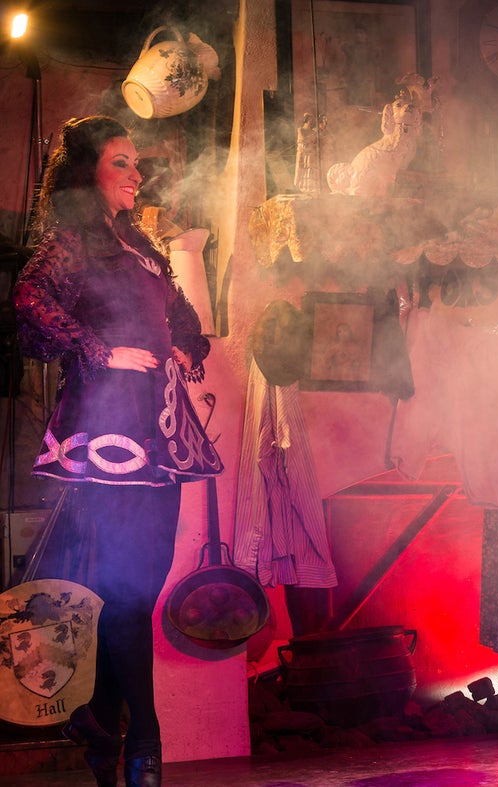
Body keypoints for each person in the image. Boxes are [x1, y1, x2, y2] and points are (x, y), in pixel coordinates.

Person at [14, 116, 222, 787]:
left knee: (140, 584)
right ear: (88, 174)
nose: (135, 175)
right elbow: (28, 301)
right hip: (107, 435)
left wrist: (188, 346)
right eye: (121, 163)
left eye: (136, 164)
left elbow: (180, 314)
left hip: (160, 431)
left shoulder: (139, 244)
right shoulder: (70, 243)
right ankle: (145, 741)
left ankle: (102, 715)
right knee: (128, 589)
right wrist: (100, 349)